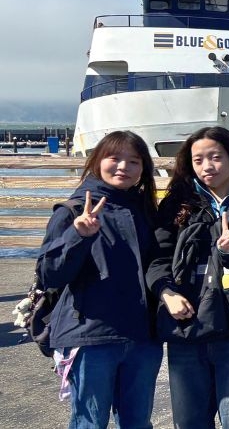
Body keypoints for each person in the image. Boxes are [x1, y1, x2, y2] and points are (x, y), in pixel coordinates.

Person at [148, 127, 229, 428]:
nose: (207, 166)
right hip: (187, 327)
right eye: (198, 159)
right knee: (190, 421)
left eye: (216, 157)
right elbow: (157, 258)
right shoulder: (176, 206)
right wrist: (167, 293)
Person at [39, 131, 162, 429]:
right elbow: (49, 274)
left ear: (143, 168)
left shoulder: (145, 210)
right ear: (96, 161)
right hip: (91, 334)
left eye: (133, 161)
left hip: (142, 336)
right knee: (89, 422)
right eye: (114, 158)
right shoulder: (74, 209)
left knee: (137, 421)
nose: (123, 167)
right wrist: (77, 236)